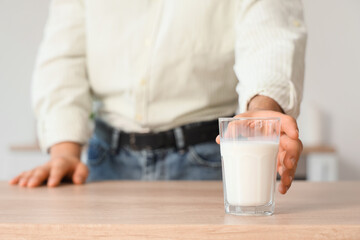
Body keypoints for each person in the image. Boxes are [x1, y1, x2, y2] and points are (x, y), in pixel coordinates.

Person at [10, 0, 306, 194]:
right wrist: (64, 152)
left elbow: (270, 33)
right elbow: (64, 56)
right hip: (103, 163)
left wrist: (263, 109)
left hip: (207, 160)